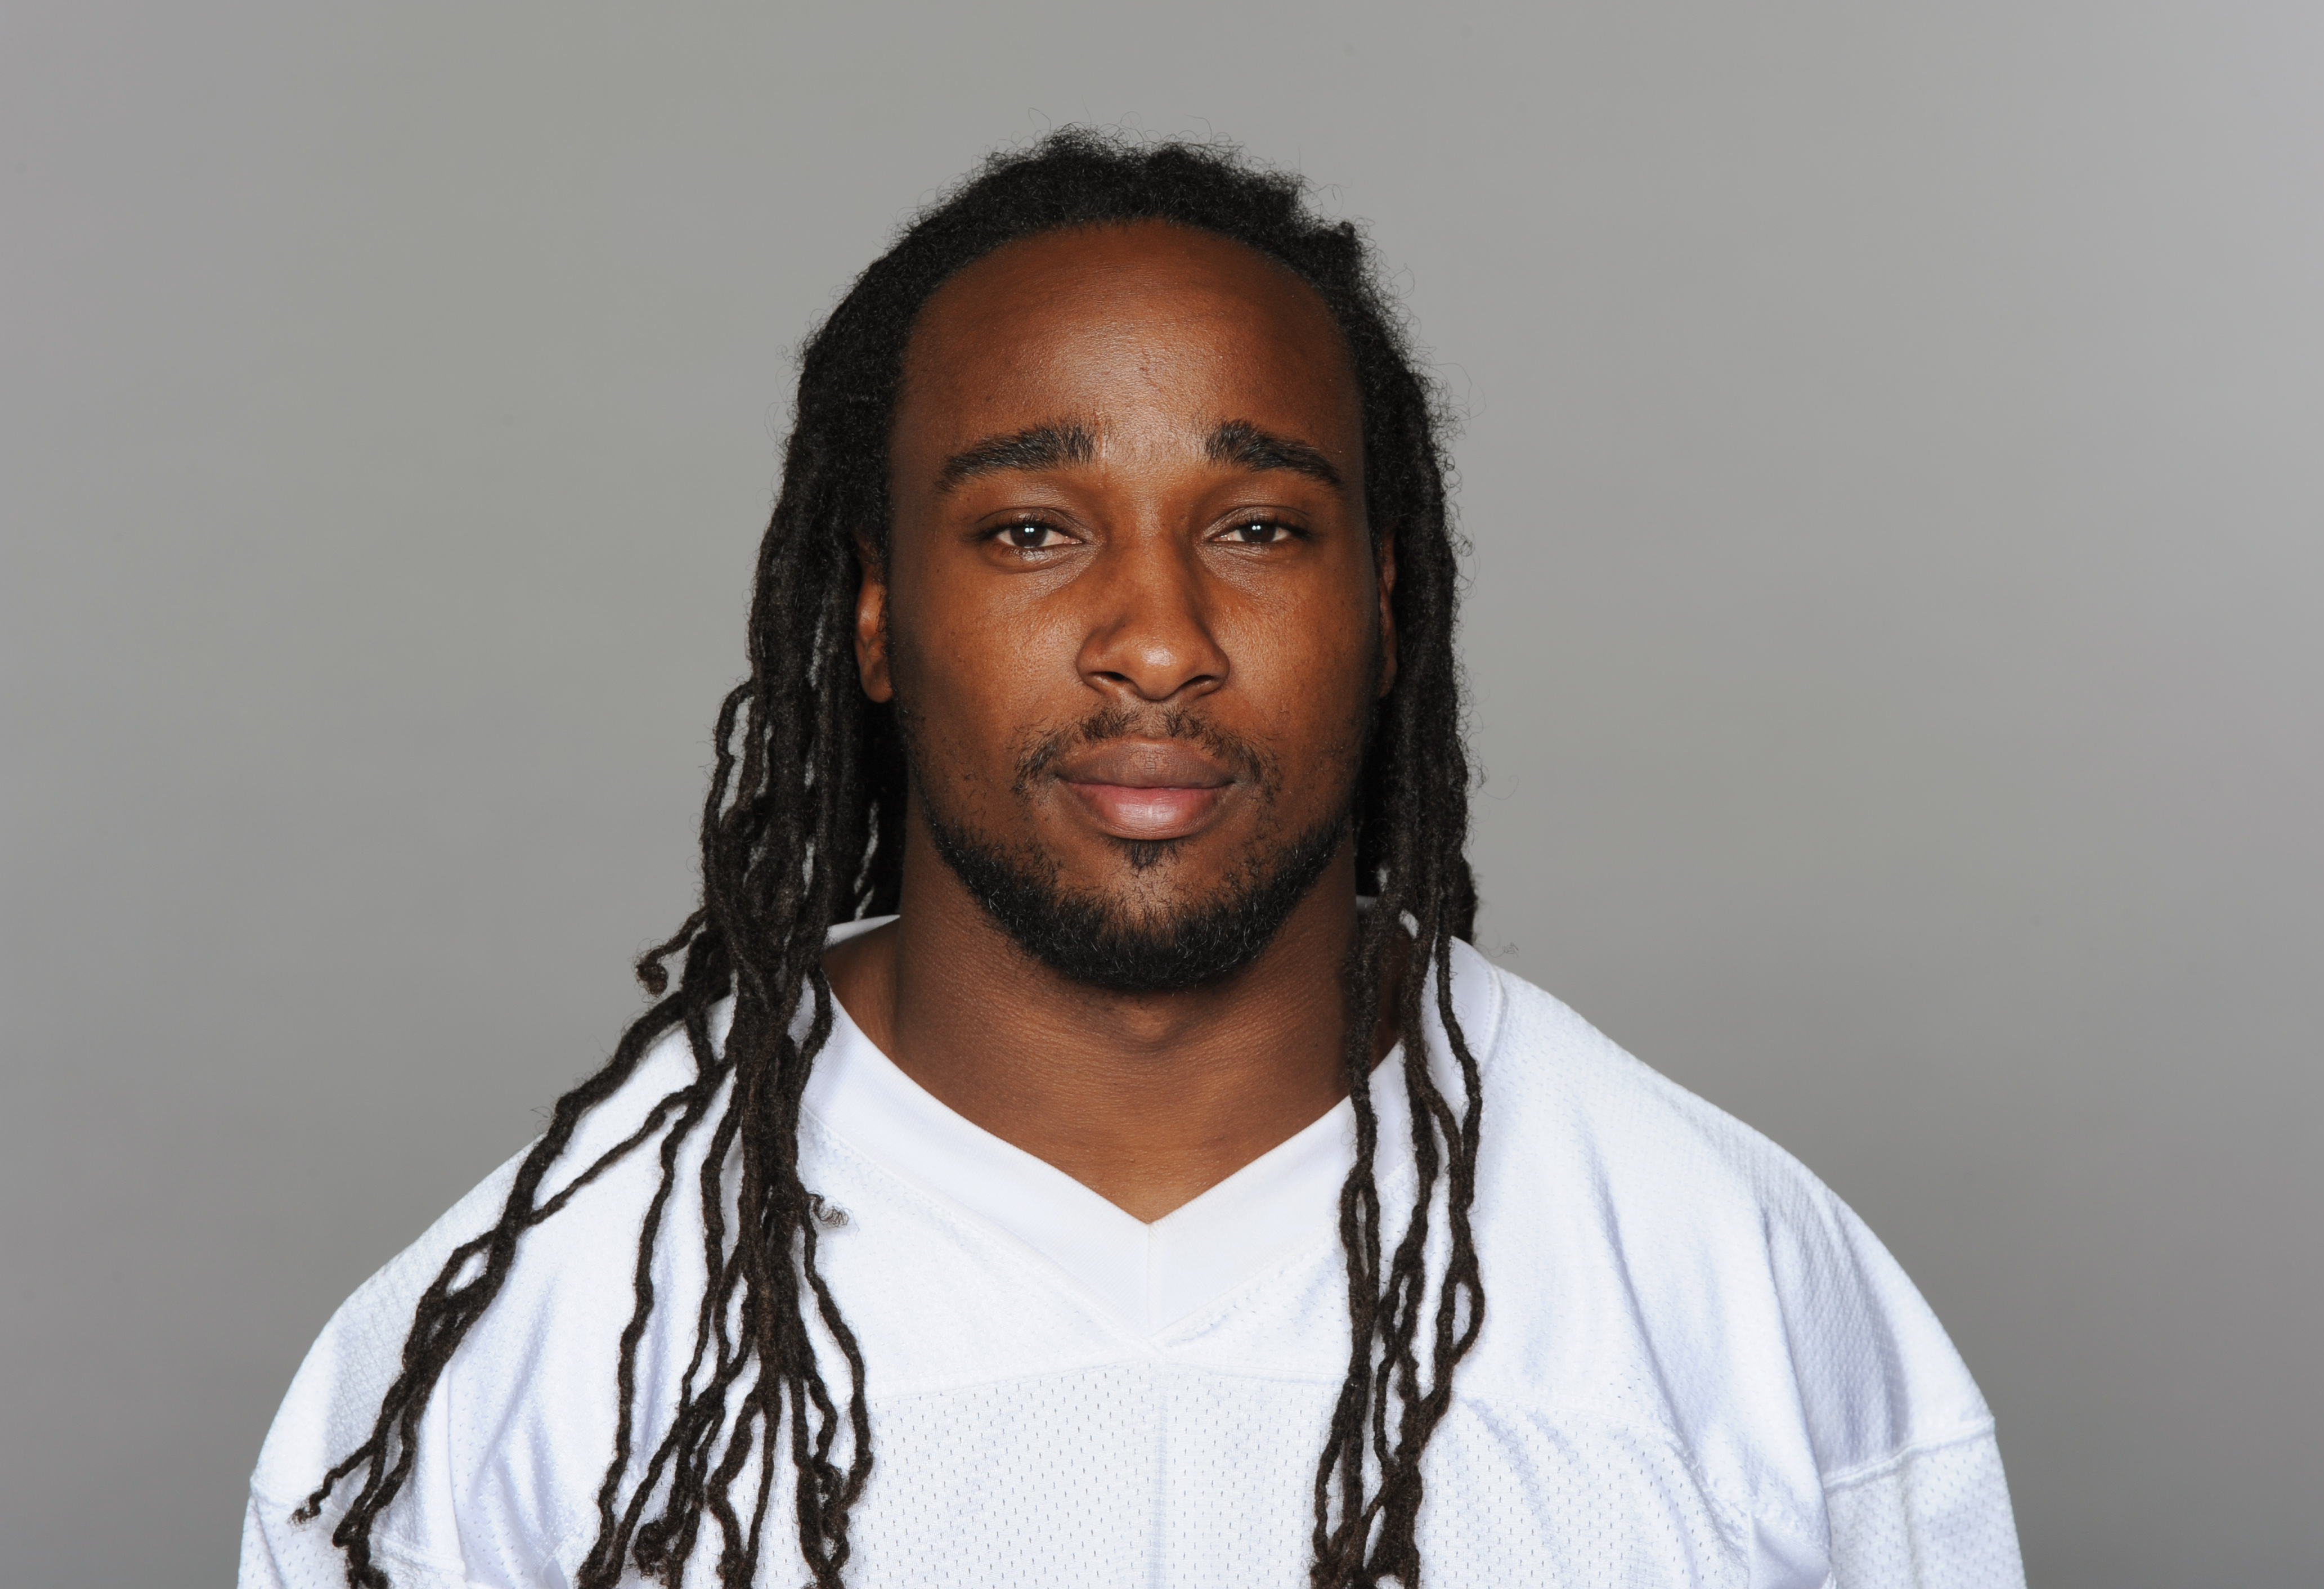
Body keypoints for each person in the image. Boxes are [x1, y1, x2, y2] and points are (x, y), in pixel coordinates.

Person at [241, 131, 2025, 1589]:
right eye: (1032, 531)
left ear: (1383, 604)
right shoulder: (533, 1346)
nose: (1159, 642)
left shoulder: (1732, 1288)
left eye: (1257, 528)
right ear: (875, 617)